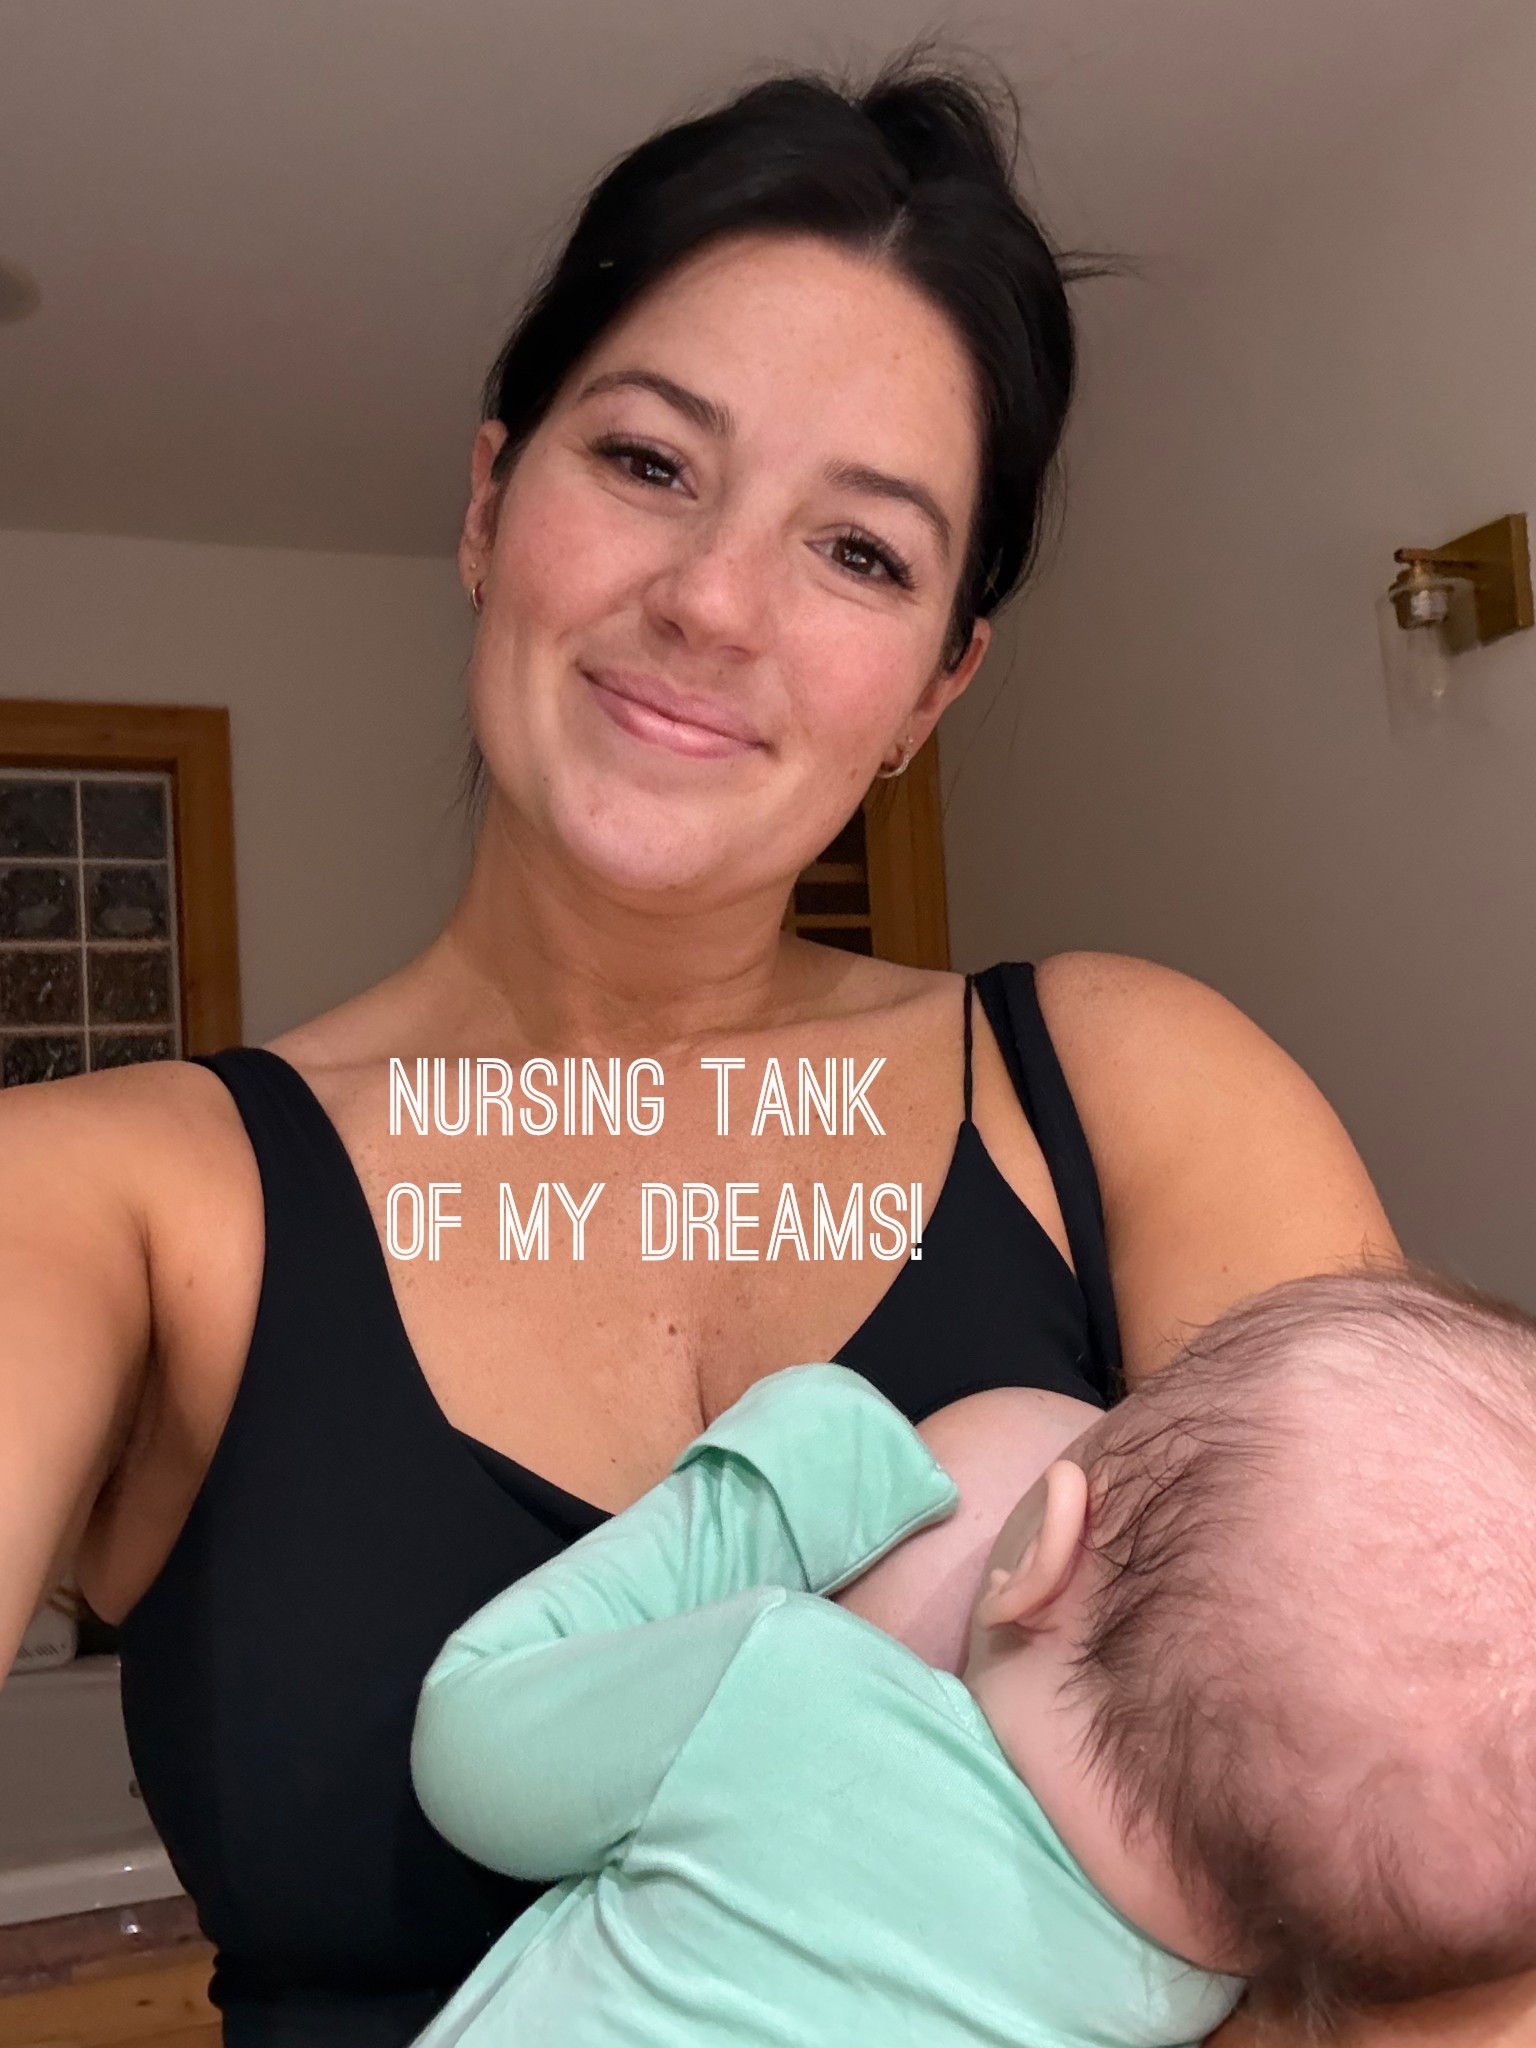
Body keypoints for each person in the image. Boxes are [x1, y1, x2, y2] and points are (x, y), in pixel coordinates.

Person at [0, 53, 1433, 2048]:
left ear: (934, 687)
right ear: (490, 502)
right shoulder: (109, 1195)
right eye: (651, 462)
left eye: (863, 552)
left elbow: (1449, 1909)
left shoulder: (1129, 1092)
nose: (712, 602)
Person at [408, 1268, 1536, 2046]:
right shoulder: (1187, 2010)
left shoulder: (784, 1692)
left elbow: (474, 1751)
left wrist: (767, 1492)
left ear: (1040, 1553)